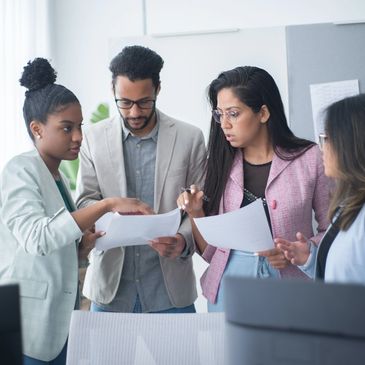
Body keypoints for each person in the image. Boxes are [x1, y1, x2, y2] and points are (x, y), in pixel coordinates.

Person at [0, 58, 153, 365]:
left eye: (79, 126)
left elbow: (51, 250)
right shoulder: (20, 170)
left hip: (59, 327)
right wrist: (107, 204)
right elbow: (37, 238)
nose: (78, 137)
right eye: (67, 128)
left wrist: (81, 251)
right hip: (28, 329)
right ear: (37, 129)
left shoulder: (55, 175)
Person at [177, 66, 332, 312]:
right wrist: (196, 213)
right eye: (220, 115)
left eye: (234, 114)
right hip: (228, 288)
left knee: (291, 351)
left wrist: (305, 251)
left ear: (263, 113)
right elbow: (210, 254)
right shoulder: (218, 164)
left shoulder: (310, 158)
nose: (224, 124)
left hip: (292, 287)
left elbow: (333, 230)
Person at [75, 45, 207, 313]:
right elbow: (85, 202)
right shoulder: (92, 138)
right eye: (125, 102)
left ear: (158, 89)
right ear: (113, 90)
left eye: (144, 102)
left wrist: (182, 241)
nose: (134, 112)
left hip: (170, 291)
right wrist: (111, 206)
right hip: (110, 289)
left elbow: (200, 206)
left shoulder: (189, 138)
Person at [277, 94, 365, 283]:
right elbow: (341, 274)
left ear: (351, 144)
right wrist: (310, 259)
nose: (322, 147)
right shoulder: (349, 206)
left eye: (327, 138)